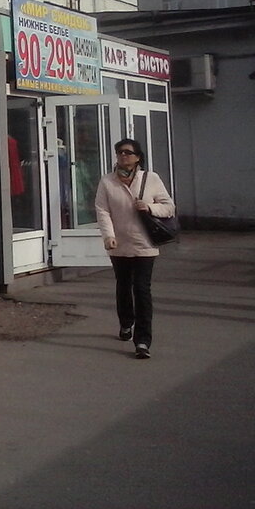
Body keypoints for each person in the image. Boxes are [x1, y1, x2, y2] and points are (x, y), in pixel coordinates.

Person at [95, 138, 175, 360]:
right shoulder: (107, 181)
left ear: (138, 157)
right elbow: (102, 211)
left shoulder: (151, 179)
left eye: (128, 152)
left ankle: (142, 340)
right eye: (120, 152)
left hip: (144, 244)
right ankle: (126, 322)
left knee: (141, 289)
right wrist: (109, 236)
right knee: (123, 286)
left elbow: (169, 207)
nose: (123, 156)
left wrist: (149, 207)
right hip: (119, 243)